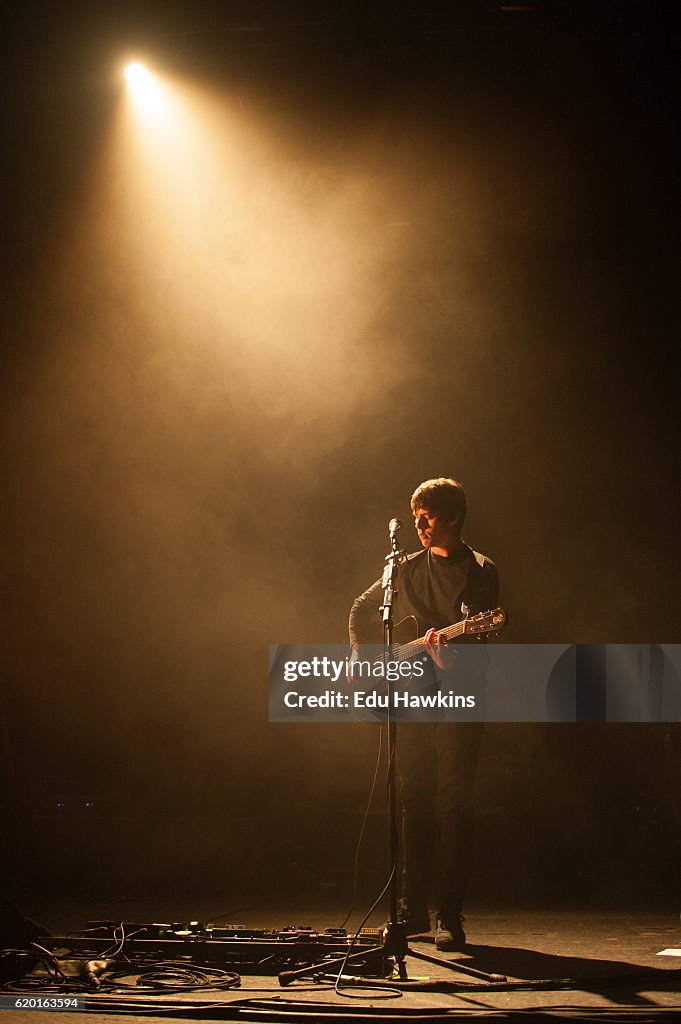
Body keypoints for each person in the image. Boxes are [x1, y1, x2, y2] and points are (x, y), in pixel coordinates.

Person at [348, 477, 498, 951]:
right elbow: (361, 606)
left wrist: (448, 658)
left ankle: (448, 916)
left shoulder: (480, 570)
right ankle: (411, 913)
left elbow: (477, 637)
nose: (419, 525)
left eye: (427, 517)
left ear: (453, 518)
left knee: (455, 801)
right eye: (415, 516)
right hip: (409, 695)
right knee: (414, 798)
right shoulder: (401, 568)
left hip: (460, 694)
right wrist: (357, 655)